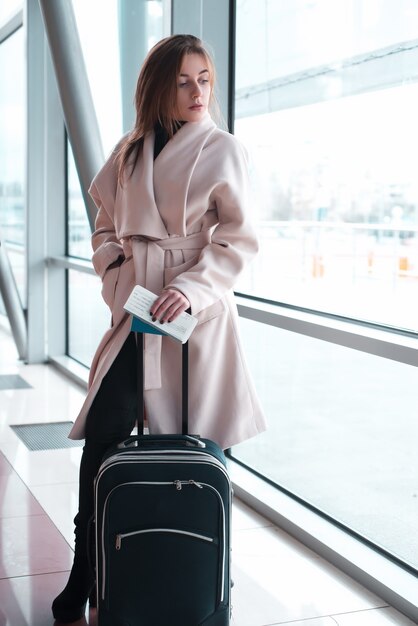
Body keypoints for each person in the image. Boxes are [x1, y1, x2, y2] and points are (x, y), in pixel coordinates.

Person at [52, 34, 266, 625]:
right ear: (158, 87)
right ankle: (86, 572)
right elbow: (103, 230)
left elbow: (239, 241)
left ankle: (198, 577)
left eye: (204, 79)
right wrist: (118, 274)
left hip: (195, 319)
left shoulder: (224, 150)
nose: (198, 92)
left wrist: (190, 288)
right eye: (183, 81)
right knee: (104, 437)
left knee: (200, 450)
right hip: (137, 308)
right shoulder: (127, 152)